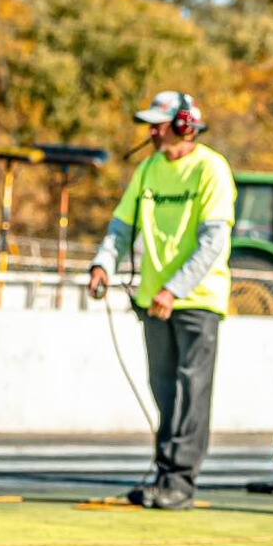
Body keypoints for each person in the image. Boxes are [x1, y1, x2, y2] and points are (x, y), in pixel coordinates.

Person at [86, 91, 237, 511]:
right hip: (154, 300)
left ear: (185, 124)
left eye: (160, 123)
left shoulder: (212, 169)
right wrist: (102, 264)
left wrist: (177, 289)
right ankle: (164, 474)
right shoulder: (149, 168)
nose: (152, 131)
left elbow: (212, 242)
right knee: (163, 389)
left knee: (191, 390)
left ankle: (180, 482)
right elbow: (120, 226)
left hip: (196, 300)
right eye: (150, 124)